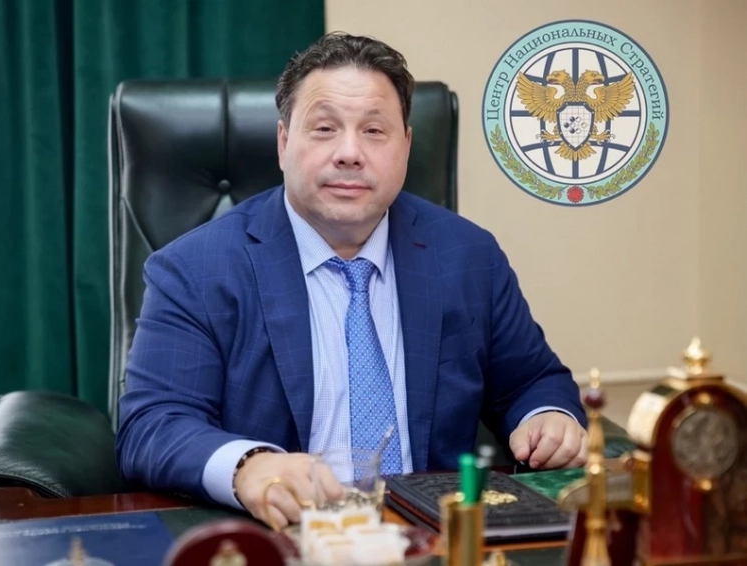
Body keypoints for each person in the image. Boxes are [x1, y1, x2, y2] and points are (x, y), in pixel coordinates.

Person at [115, 32, 588, 530]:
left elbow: (533, 381)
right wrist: (247, 466)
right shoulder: (196, 268)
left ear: (406, 146)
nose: (349, 153)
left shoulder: (467, 256)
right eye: (324, 128)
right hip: (280, 537)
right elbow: (153, 426)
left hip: (434, 539)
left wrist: (546, 418)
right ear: (283, 142)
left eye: (374, 131)